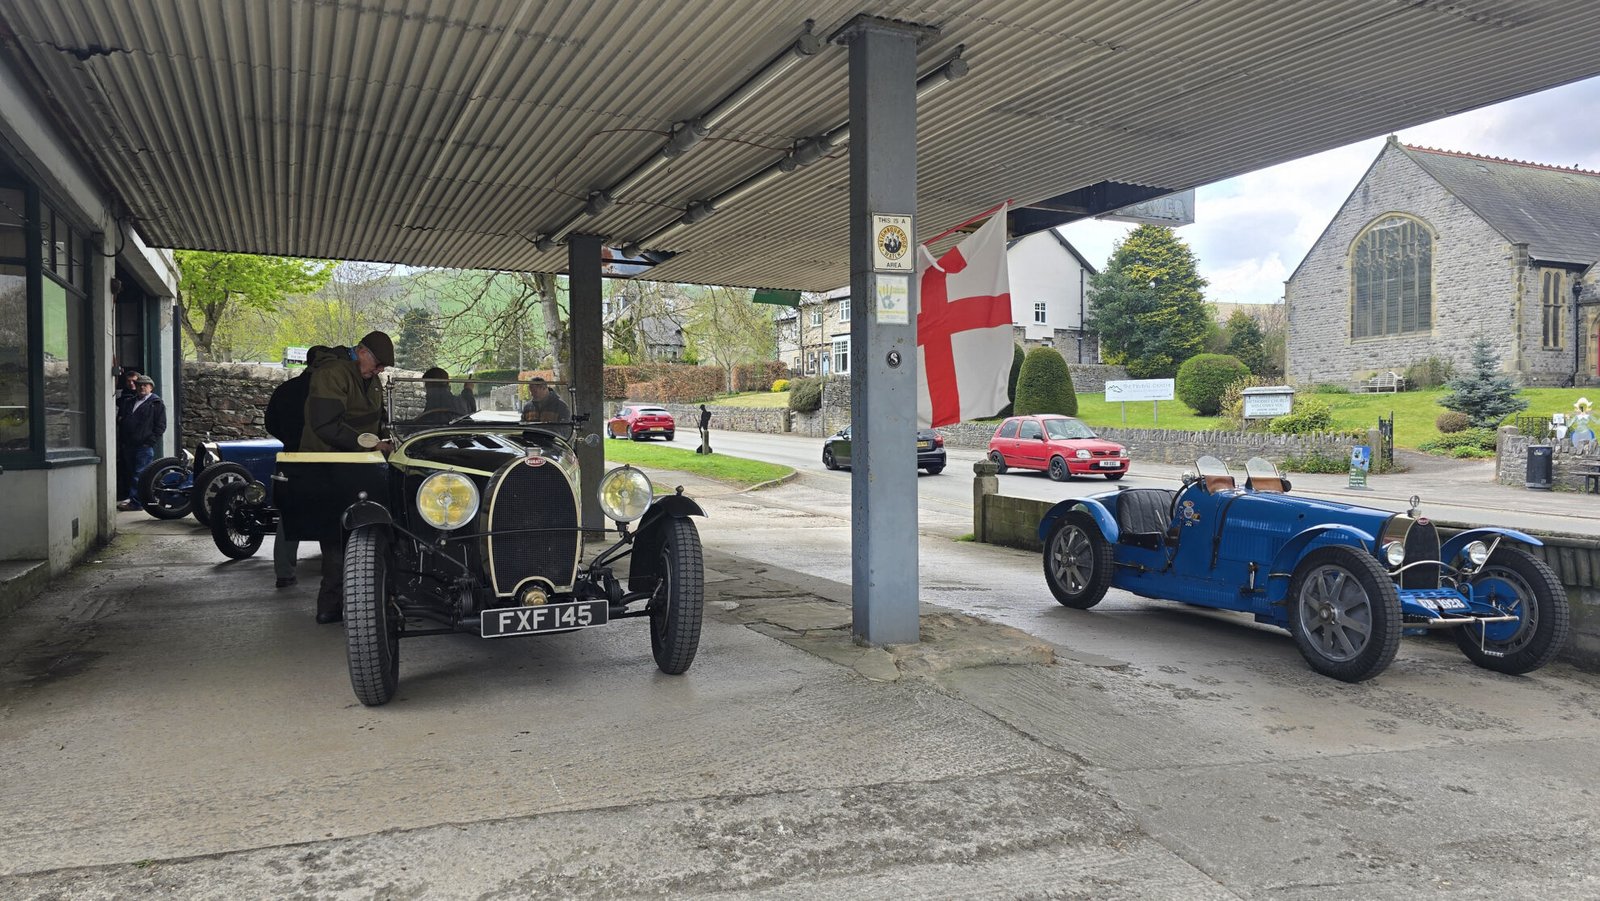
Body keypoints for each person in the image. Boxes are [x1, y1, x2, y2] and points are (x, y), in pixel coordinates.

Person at [300, 331, 394, 623]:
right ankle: (330, 605)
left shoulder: (372, 381)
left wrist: (389, 437)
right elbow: (326, 425)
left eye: (382, 367)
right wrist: (371, 445)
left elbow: (377, 420)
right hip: (328, 465)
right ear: (362, 351)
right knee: (336, 538)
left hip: (359, 466)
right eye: (377, 364)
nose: (378, 371)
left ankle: (368, 602)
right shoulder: (332, 374)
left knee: (365, 533)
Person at [262, 349, 327, 589]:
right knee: (330, 510)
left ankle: (284, 571)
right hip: (323, 456)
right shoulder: (327, 391)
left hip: (290, 456)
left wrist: (290, 439)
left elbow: (270, 423)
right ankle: (331, 566)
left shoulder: (285, 389)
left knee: (288, 514)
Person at [116, 375, 166, 511]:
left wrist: (149, 442)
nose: (142, 387)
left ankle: (136, 503)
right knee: (130, 473)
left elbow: (160, 425)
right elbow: (122, 419)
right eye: (139, 385)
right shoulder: (129, 402)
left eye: (145, 385)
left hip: (144, 446)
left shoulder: (156, 403)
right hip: (128, 444)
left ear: (151, 387)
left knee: (139, 475)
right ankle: (133, 498)